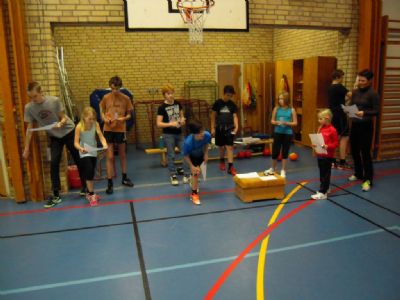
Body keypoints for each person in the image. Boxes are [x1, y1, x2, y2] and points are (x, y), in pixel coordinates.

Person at [23, 81, 85, 208]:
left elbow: (63, 117)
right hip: (55, 137)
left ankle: (85, 186)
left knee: (78, 159)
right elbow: (29, 129)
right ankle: (56, 195)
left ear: (41, 92)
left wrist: (61, 123)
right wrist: (26, 148)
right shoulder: (29, 108)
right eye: (31, 97)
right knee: (54, 163)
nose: (33, 99)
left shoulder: (54, 101)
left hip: (68, 131)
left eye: (35, 96)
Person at [100, 76, 134, 194]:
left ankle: (124, 177)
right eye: (113, 88)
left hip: (120, 129)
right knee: (110, 157)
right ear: (110, 87)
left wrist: (123, 118)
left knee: (122, 155)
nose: (115, 91)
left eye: (117, 89)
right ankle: (110, 183)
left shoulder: (126, 98)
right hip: (108, 129)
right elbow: (102, 111)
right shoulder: (105, 97)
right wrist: (105, 119)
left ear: (120, 87)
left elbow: (129, 115)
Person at [348, 69, 379, 191]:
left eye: (363, 80)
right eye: (359, 80)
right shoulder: (355, 92)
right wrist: (349, 110)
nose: (360, 82)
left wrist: (364, 112)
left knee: (365, 153)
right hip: (355, 125)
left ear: (369, 81)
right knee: (354, 151)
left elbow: (376, 111)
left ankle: (368, 179)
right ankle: (358, 173)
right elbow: (351, 105)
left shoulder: (373, 94)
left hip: (366, 126)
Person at [74, 107, 108, 206]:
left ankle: (89, 193)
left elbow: (101, 136)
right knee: (89, 170)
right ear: (84, 117)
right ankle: (92, 195)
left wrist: (104, 144)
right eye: (89, 119)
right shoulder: (79, 126)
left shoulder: (95, 124)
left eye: (93, 118)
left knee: (91, 172)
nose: (91, 121)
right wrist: (81, 148)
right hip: (84, 152)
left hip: (93, 151)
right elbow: (75, 143)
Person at [156, 84, 189, 186]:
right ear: (164, 95)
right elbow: (158, 123)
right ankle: (173, 174)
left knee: (186, 152)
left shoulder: (178, 104)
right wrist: (171, 124)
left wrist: (182, 121)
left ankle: (187, 174)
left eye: (172, 93)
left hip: (179, 134)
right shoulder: (162, 108)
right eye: (168, 93)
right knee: (171, 155)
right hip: (168, 135)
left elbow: (182, 117)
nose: (170, 95)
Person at [264, 92, 297, 178]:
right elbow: (272, 121)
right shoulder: (276, 109)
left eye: (281, 99)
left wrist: (287, 123)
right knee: (275, 151)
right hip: (278, 132)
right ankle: (273, 168)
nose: (280, 100)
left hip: (287, 133)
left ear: (286, 99)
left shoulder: (292, 110)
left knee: (285, 151)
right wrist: (277, 122)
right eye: (279, 99)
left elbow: (295, 123)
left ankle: (283, 169)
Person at [211, 85, 239, 176]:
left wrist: (236, 126)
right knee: (222, 147)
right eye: (227, 95)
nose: (229, 97)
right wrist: (212, 127)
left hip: (229, 128)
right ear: (224, 94)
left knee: (229, 147)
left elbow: (235, 116)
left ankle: (230, 167)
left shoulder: (232, 104)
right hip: (219, 128)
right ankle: (222, 161)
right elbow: (213, 116)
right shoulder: (217, 103)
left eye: (231, 96)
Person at [311, 109, 339, 200]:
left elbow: (335, 143)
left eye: (320, 118)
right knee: (322, 173)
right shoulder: (321, 128)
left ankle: (323, 192)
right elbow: (319, 139)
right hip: (320, 154)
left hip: (327, 156)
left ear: (327, 118)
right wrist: (314, 144)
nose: (318, 120)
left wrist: (328, 146)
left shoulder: (332, 130)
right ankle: (325, 188)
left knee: (326, 173)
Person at [183, 119, 211, 205]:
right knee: (196, 173)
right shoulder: (188, 143)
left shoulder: (207, 135)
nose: (202, 134)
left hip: (200, 154)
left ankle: (192, 180)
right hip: (191, 157)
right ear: (193, 134)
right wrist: (191, 166)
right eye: (200, 133)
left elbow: (206, 143)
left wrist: (206, 153)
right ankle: (194, 194)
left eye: (203, 131)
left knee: (198, 172)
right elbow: (185, 156)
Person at [327, 69, 351, 169]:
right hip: (340, 115)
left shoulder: (330, 87)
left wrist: (346, 101)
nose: (342, 79)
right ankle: (342, 161)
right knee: (344, 138)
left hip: (332, 115)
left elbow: (341, 100)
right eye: (342, 77)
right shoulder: (339, 87)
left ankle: (332, 161)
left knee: (334, 137)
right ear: (338, 77)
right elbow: (352, 95)